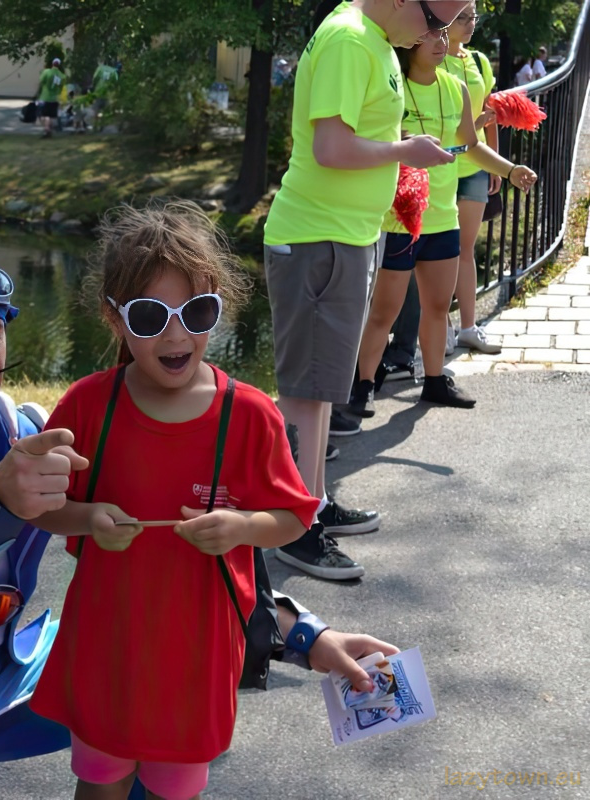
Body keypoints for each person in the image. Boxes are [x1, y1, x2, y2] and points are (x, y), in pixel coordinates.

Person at [0, 231, 401, 799]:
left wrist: (305, 636)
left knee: (149, 723)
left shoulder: (30, 436)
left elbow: (171, 567)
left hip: (15, 679)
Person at [26, 202, 318, 800]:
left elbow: (291, 518)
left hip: (197, 653)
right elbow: (40, 504)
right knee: (100, 781)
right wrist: (86, 517)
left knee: (173, 787)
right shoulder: (88, 406)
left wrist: (240, 526)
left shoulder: (249, 415)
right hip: (110, 643)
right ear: (115, 319)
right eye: (152, 316)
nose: (177, 335)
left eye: (198, 312)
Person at [260, 0, 467, 581]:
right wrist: (406, 152)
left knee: (322, 386)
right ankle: (293, 528)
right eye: (434, 22)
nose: (436, 35)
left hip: (345, 237)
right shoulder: (352, 41)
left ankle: (314, 503)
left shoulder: (374, 38)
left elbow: (359, 133)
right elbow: (330, 147)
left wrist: (398, 148)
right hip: (317, 239)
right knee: (305, 389)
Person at [347, 33, 538, 416]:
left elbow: (470, 144)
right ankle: (363, 385)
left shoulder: (456, 88)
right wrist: (404, 142)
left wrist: (510, 169)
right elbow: (371, 139)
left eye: (444, 34)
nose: (441, 41)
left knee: (437, 306)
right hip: (398, 218)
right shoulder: (392, 85)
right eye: (431, 35)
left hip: (442, 218)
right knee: (384, 311)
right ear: (410, 44)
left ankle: (434, 381)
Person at [441, 2, 504, 354]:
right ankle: (442, 327)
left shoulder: (478, 61)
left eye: (473, 17)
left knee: (465, 249)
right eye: (462, 18)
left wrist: (495, 163)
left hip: (474, 168)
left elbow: (489, 112)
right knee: (441, 251)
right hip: (443, 166)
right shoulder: (430, 57)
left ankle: (468, 326)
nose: (470, 24)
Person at [36, 57, 66, 139]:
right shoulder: (62, 76)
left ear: (52, 63)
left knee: (44, 115)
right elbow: (60, 88)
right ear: (59, 65)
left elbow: (41, 82)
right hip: (55, 98)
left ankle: (47, 130)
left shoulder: (46, 72)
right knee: (51, 115)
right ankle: (49, 130)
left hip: (45, 97)